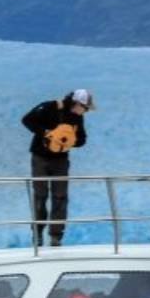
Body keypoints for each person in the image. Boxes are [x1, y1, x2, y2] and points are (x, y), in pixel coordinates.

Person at [21, 88, 95, 247]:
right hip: (40, 158)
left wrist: (69, 140)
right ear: (76, 103)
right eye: (85, 107)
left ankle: (56, 237)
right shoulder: (50, 107)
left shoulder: (77, 118)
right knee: (40, 195)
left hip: (61, 160)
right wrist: (47, 133)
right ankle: (38, 233)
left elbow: (82, 139)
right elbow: (27, 120)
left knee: (60, 197)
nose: (86, 111)